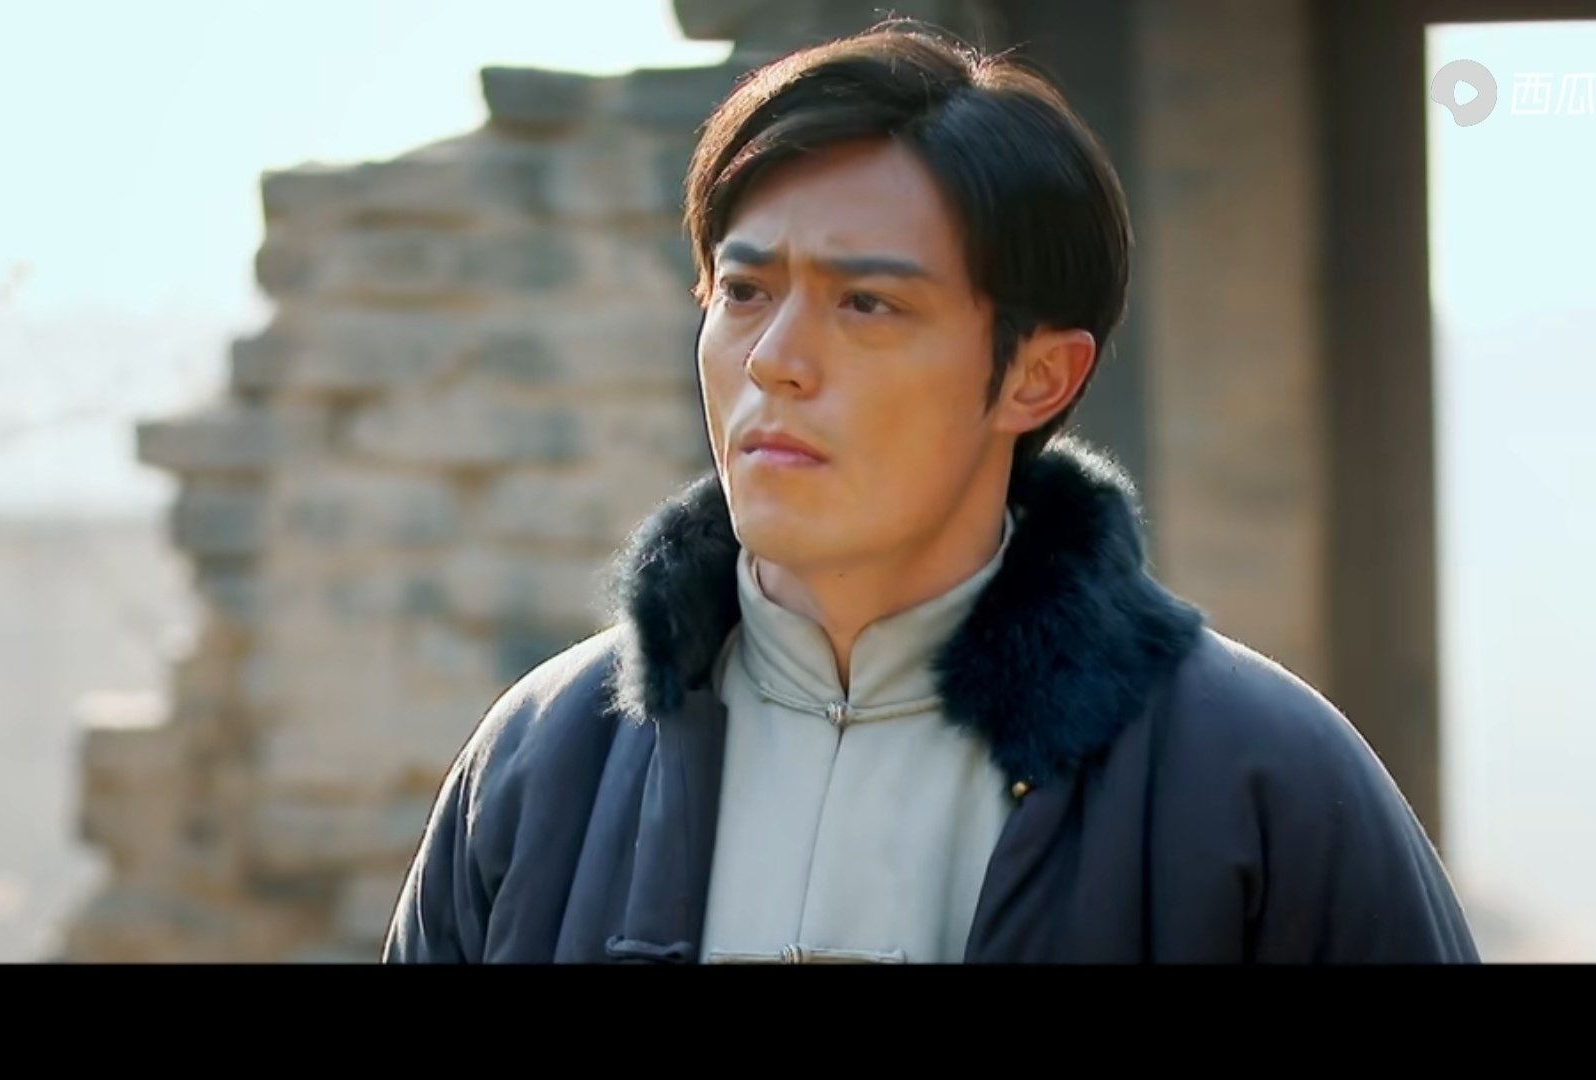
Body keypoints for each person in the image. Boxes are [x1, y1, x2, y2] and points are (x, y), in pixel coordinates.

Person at [381, 21, 1478, 964]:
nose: (774, 360)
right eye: (745, 290)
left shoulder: (1258, 780)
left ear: (1036, 376)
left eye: (866, 304)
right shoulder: (544, 761)